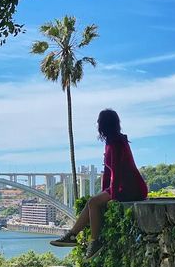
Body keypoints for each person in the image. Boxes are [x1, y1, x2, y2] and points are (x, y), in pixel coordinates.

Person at [50, 109, 148, 257]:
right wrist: (104, 192)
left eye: (99, 122)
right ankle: (72, 235)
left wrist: (112, 196)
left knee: (94, 203)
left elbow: (116, 171)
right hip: (124, 186)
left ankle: (95, 242)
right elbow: (108, 172)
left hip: (132, 187)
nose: (97, 125)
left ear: (103, 124)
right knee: (92, 202)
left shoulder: (116, 143)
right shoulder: (112, 141)